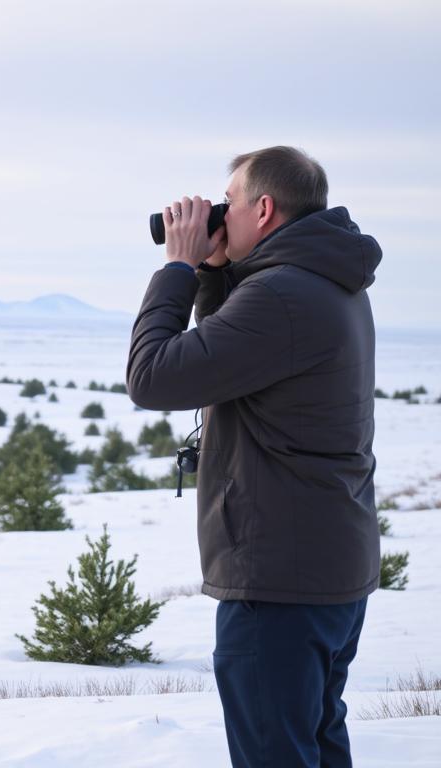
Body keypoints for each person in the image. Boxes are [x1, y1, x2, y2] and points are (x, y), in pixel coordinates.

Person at [126, 146, 382, 767]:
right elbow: (232, 363)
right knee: (313, 744)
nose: (219, 213)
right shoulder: (325, 282)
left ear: (263, 209)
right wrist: (216, 273)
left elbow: (152, 378)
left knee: (276, 754)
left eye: (229, 202)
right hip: (324, 564)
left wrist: (178, 269)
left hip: (278, 579)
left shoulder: (282, 296)